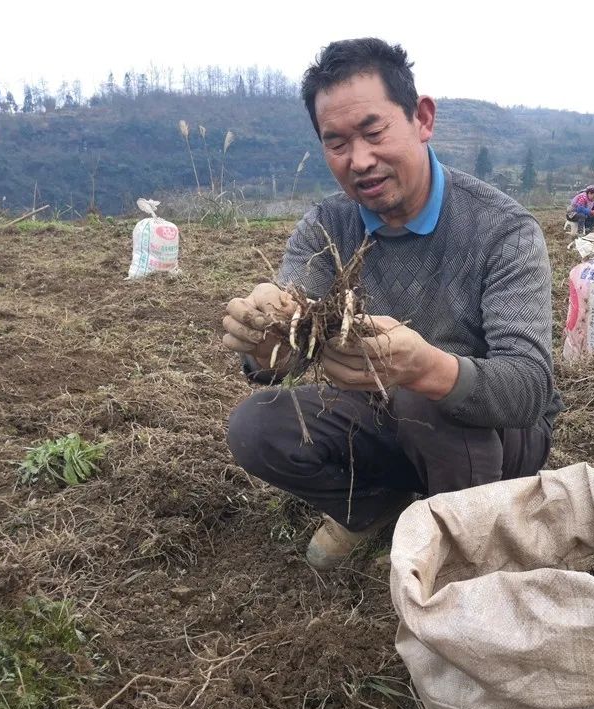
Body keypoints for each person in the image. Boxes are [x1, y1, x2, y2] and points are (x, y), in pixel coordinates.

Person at [222, 38, 562, 570]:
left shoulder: (502, 229)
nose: (360, 160)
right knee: (256, 427)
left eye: (374, 132)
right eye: (336, 143)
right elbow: (288, 340)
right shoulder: (327, 227)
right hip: (381, 417)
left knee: (422, 393)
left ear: (421, 118)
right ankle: (375, 506)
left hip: (494, 438)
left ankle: (461, 542)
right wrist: (269, 339)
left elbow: (530, 389)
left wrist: (427, 366)